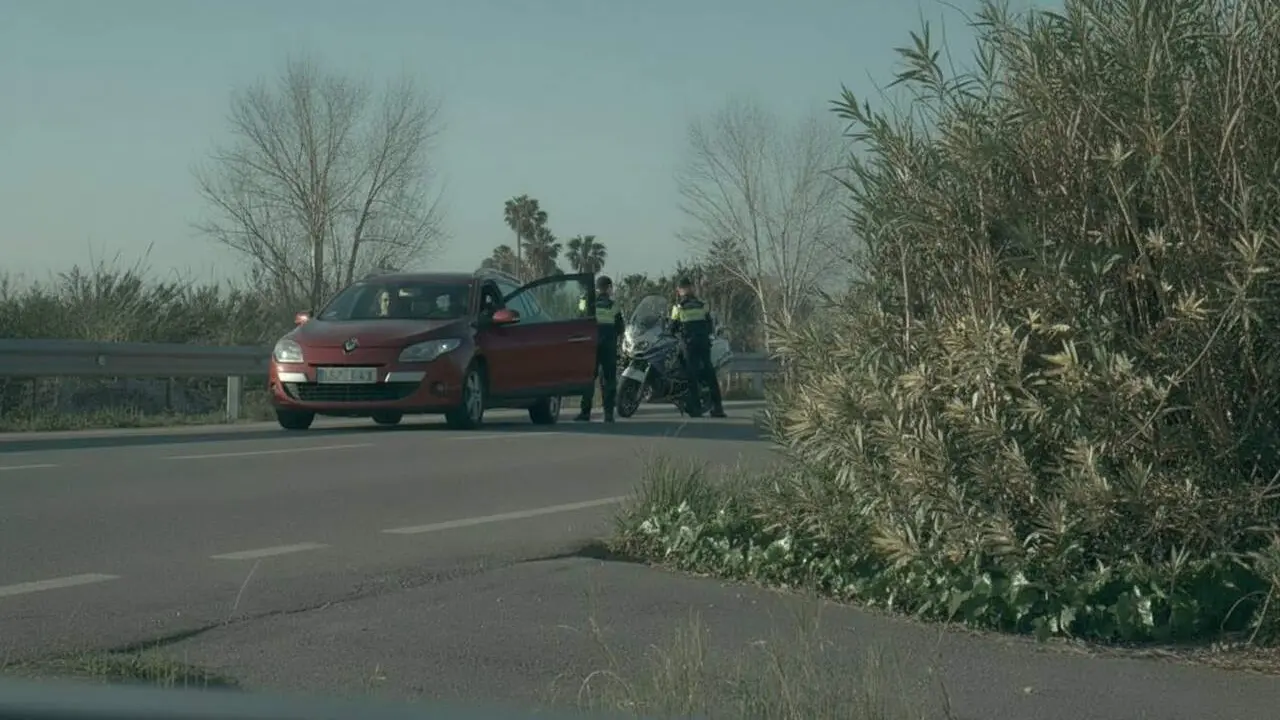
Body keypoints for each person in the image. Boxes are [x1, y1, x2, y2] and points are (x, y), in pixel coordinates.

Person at [668, 278, 726, 418]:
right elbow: (709, 325)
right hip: (704, 343)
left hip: (688, 345)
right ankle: (717, 408)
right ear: (692, 288)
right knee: (709, 373)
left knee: (690, 375)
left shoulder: (678, 307)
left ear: (679, 290)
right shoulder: (702, 305)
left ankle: (695, 408)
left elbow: (671, 329)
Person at [574, 275, 625, 422]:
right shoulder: (613, 305)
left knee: (589, 378)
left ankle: (585, 412)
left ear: (596, 288)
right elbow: (620, 327)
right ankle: (608, 414)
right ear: (608, 288)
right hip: (608, 346)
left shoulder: (589, 302)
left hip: (591, 344)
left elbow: (580, 316)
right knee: (609, 380)